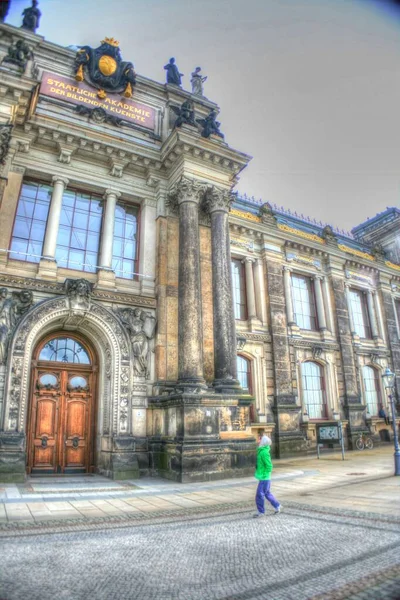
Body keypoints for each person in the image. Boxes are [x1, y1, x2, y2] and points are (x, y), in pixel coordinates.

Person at [253, 434, 281, 518]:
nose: (257, 440)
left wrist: (265, 475)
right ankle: (277, 506)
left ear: (262, 441)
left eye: (259, 439)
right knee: (267, 493)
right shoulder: (261, 450)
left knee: (259, 494)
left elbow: (269, 466)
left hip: (264, 478)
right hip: (264, 477)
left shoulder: (264, 452)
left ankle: (261, 511)